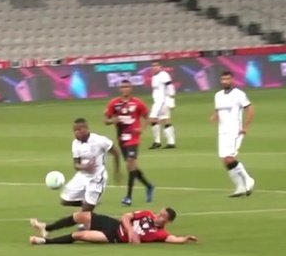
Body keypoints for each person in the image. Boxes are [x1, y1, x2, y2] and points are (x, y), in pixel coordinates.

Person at [105, 80, 155, 206]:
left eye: (127, 86)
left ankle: (128, 197)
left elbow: (148, 117)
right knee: (132, 167)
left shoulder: (138, 103)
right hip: (122, 139)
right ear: (120, 89)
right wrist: (112, 121)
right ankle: (149, 185)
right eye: (122, 87)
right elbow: (105, 119)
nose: (124, 89)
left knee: (131, 164)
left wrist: (141, 129)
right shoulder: (114, 103)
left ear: (131, 88)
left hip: (133, 139)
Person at [29, 208, 197, 245]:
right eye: (159, 213)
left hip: (113, 237)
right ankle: (47, 228)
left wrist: (185, 238)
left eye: (162, 217)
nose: (158, 216)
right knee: (82, 215)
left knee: (79, 236)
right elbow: (126, 216)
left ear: (167, 221)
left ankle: (44, 241)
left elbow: (173, 238)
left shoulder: (159, 234)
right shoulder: (146, 214)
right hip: (113, 224)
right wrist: (130, 229)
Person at [58, 118, 120, 212]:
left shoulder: (99, 140)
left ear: (86, 128)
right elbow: (76, 165)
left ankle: (88, 210)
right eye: (75, 130)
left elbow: (116, 152)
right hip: (82, 176)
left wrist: (117, 170)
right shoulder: (75, 143)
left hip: (97, 177)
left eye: (79, 130)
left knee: (85, 212)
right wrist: (84, 167)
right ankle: (91, 202)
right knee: (65, 200)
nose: (76, 132)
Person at [212, 71, 256, 197]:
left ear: (232, 80)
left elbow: (251, 110)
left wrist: (245, 127)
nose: (225, 81)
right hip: (222, 131)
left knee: (230, 158)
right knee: (225, 161)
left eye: (227, 79)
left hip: (235, 131)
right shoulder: (218, 95)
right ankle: (240, 187)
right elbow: (218, 110)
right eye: (223, 79)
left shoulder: (239, 94)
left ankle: (248, 179)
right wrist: (214, 116)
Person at [148, 61, 177, 149]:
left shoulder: (164, 75)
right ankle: (171, 142)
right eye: (153, 66)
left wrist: (171, 99)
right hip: (158, 101)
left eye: (156, 65)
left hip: (162, 101)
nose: (154, 67)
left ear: (161, 66)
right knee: (165, 119)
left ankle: (157, 141)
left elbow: (170, 86)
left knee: (152, 119)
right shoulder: (154, 77)